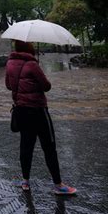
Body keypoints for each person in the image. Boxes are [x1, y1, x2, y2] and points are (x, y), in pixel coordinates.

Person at [5, 40, 76, 195]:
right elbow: (46, 86)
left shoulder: (9, 63)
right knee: (49, 146)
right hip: (38, 111)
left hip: (21, 111)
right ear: (29, 47)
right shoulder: (32, 65)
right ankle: (58, 185)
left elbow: (9, 86)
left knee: (26, 147)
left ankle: (25, 182)